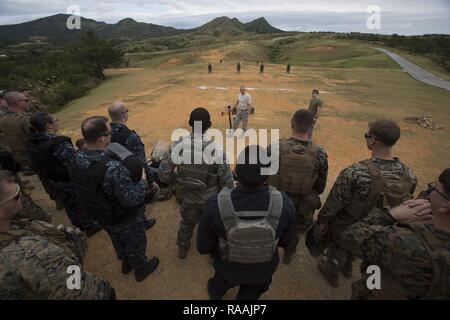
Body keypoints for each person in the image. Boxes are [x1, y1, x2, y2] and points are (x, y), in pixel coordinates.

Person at [317, 119, 417, 287]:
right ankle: (348, 266)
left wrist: (323, 221)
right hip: (381, 228)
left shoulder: (356, 172)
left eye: (366, 135)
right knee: (356, 248)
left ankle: (332, 271)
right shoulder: (409, 174)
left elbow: (334, 202)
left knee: (339, 245)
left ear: (373, 140)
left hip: (350, 225)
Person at [327, 168, 450, 299]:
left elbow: (350, 236)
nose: (429, 194)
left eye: (434, 189)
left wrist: (391, 215)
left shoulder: (403, 241)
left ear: (445, 206)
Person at [197, 145, 296, 300]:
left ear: (235, 172)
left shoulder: (215, 204)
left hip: (227, 269)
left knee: (217, 286)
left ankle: (216, 294)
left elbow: (203, 246)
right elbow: (285, 241)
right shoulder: (284, 203)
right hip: (262, 270)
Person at [71, 116, 159, 281]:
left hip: (101, 213)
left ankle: (125, 263)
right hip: (123, 216)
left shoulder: (77, 158)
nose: (112, 134)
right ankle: (140, 268)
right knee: (135, 241)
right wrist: (143, 182)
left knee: (116, 239)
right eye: (110, 132)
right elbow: (131, 199)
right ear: (102, 139)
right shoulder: (112, 167)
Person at [0, 178, 115, 299]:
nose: (22, 197)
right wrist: (106, 290)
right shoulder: (31, 252)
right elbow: (79, 290)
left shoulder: (14, 227)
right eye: (17, 195)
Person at [158, 108, 234, 259]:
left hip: (187, 197)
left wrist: (179, 182)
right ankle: (214, 255)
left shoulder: (176, 146)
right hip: (210, 201)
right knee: (214, 228)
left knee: (187, 223)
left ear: (190, 124)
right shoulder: (216, 150)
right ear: (210, 125)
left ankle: (182, 247)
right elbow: (227, 183)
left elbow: (163, 174)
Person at [267, 110, 328, 264]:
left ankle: (268, 251)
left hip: (276, 202)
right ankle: (288, 253)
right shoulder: (320, 153)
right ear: (312, 126)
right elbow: (320, 186)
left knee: (271, 227)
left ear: (291, 123)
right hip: (303, 205)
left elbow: (263, 175)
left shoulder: (275, 147)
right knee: (294, 232)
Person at [28, 112, 102, 236]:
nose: (58, 121)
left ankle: (81, 224)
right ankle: (89, 226)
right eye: (56, 120)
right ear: (49, 125)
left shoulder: (34, 142)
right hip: (67, 179)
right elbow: (74, 162)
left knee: (69, 204)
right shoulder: (58, 143)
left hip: (54, 179)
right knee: (78, 201)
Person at [108, 101, 159, 224]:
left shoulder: (106, 133)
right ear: (124, 114)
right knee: (136, 201)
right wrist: (151, 182)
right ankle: (142, 222)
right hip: (132, 175)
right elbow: (141, 162)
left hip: (113, 173)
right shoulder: (130, 136)